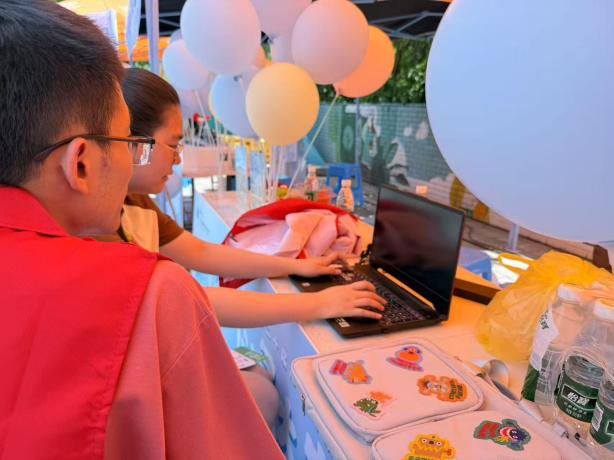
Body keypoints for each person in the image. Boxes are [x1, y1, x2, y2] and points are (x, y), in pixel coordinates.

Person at [0, 2, 283, 458]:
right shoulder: (150, 291)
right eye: (129, 142)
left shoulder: (141, 223)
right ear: (81, 163)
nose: (140, 159)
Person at [119, 68, 387, 326]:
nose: (178, 159)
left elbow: (200, 252)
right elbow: (189, 300)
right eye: (173, 145)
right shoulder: (104, 228)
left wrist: (296, 266)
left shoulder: (136, 202)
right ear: (134, 143)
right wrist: (320, 303)